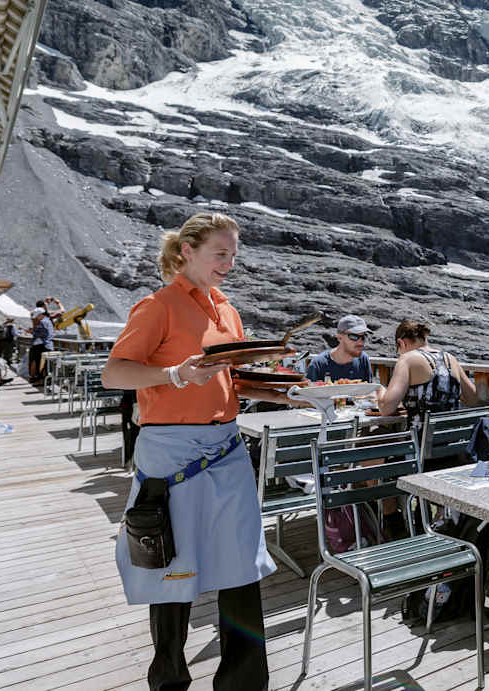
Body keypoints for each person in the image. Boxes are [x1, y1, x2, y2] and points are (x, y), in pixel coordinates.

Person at [102, 211, 294, 691]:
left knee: (241, 568)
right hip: (171, 453)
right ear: (187, 251)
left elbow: (232, 380)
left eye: (233, 255)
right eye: (220, 254)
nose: (228, 263)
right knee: (172, 571)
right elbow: (114, 373)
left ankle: (244, 685)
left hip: (226, 447)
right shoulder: (157, 306)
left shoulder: (227, 310)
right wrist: (174, 374)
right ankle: (169, 680)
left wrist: (290, 395)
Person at [376, 320, 477, 417]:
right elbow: (473, 399)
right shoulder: (450, 358)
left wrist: (379, 389)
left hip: (422, 429)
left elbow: (386, 409)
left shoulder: (407, 359)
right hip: (452, 428)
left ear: (401, 343)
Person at [304, 315, 379, 387]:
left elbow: (368, 390)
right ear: (340, 337)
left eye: (363, 337)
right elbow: (310, 393)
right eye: (354, 336)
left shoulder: (363, 359)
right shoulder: (318, 364)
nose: (360, 342)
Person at [28, 307, 53, 386]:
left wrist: (32, 331)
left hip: (43, 345)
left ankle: (42, 380)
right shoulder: (48, 321)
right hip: (48, 345)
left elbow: (41, 334)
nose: (37, 318)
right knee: (46, 365)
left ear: (41, 314)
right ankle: (45, 381)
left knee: (41, 364)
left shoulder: (42, 322)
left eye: (37, 316)